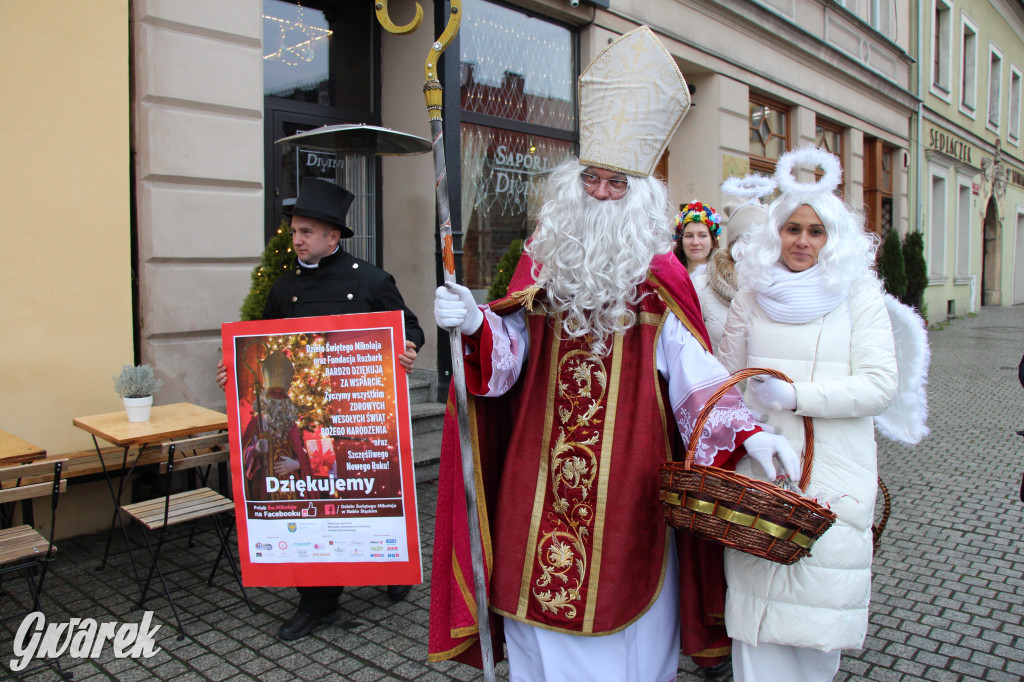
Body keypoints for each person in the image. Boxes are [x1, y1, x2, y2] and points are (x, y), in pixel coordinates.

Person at [427, 26, 799, 682]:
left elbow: (694, 378)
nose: (600, 193)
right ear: (575, 183)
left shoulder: (661, 275)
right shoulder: (543, 261)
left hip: (628, 485)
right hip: (533, 482)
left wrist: (747, 433)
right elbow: (506, 358)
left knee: (621, 641)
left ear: (640, 195)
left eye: (615, 183)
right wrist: (475, 324)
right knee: (536, 629)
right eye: (592, 179)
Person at [717, 146, 898, 681]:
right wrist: (747, 423)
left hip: (834, 476)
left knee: (816, 627)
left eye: (815, 231)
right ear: (775, 232)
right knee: (756, 622)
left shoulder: (859, 297)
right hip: (762, 475)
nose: (801, 241)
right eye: (792, 228)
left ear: (832, 238)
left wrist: (797, 397)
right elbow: (725, 383)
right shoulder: (751, 295)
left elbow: (879, 386)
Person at [218, 176, 425, 641]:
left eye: (306, 232)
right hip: (302, 419)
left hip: (359, 413)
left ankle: (390, 565)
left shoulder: (372, 280)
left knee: (369, 493)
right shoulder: (283, 288)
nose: (296, 240)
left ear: (334, 236)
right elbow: (263, 344)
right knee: (311, 505)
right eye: (294, 231)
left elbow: (409, 326)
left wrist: (408, 346)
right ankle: (318, 603)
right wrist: (235, 369)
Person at [673, 201, 726, 352]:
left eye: (702, 235)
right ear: (681, 241)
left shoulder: (724, 280)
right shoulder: (671, 276)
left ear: (712, 241)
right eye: (689, 236)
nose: (695, 242)